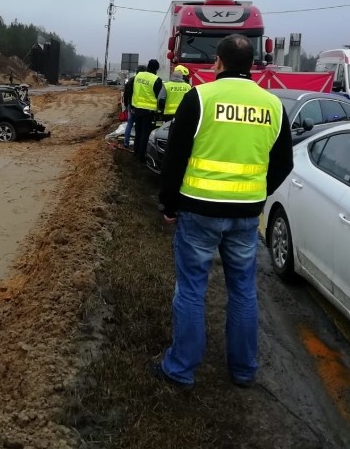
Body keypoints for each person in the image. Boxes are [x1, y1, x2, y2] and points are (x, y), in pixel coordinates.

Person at [153, 34, 293, 391]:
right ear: (251, 66)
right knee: (243, 290)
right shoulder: (273, 106)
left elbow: (175, 157)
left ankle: (181, 369)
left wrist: (169, 204)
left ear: (219, 62)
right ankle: (244, 370)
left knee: (191, 290)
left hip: (198, 211)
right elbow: (283, 163)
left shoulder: (201, 97)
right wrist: (257, 195)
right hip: (246, 215)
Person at [131, 59, 163, 162]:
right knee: (145, 133)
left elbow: (133, 90)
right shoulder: (156, 79)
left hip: (137, 108)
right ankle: (141, 156)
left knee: (138, 132)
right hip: (148, 110)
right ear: (156, 69)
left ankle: (135, 152)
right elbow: (159, 96)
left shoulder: (138, 76)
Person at [121, 65, 145, 150]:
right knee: (140, 126)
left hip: (131, 106)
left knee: (129, 124)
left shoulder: (131, 80)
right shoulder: (143, 82)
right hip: (140, 107)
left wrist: (127, 105)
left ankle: (126, 142)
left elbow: (126, 94)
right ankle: (138, 145)